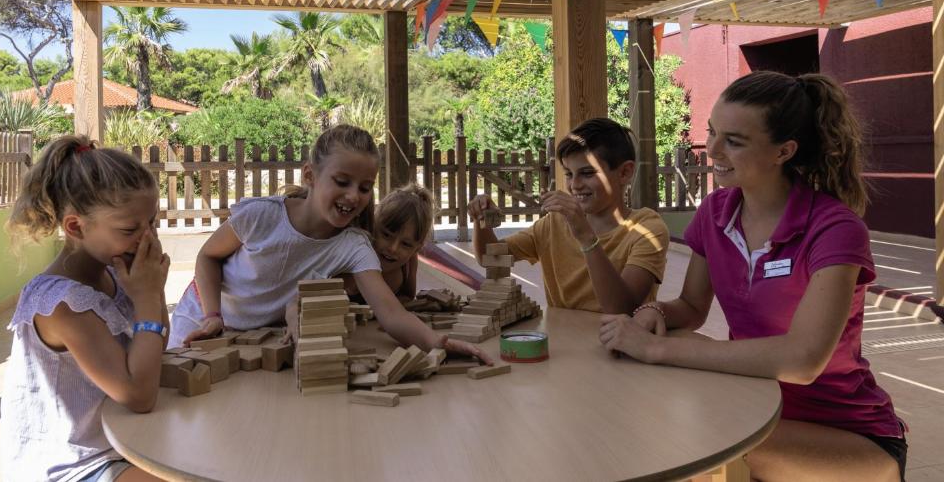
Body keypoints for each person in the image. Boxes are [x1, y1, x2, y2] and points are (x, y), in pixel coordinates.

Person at [599, 71, 906, 482]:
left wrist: (655, 350)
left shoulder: (835, 229)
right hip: (755, 410)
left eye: (734, 141)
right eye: (711, 133)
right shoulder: (715, 212)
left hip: (848, 435)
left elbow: (803, 361)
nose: (712, 150)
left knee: (691, 438)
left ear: (784, 151)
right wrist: (653, 311)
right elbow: (691, 307)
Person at [169, 125, 490, 363]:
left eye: (365, 187)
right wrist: (213, 315)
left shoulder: (355, 247)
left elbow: (391, 313)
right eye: (342, 182)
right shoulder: (262, 215)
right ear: (310, 175)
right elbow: (208, 257)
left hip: (259, 337)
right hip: (202, 319)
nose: (354, 196)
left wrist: (438, 342)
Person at [1, 136, 170, 482]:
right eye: (130, 229)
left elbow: (155, 346)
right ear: (76, 227)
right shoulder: (61, 304)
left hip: (116, 443)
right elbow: (138, 394)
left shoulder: (112, 273)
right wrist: (149, 297)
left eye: (152, 222)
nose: (148, 237)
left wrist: (150, 293)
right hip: (74, 464)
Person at [468, 117, 668, 313]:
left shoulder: (648, 229)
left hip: (621, 342)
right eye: (569, 174)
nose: (575, 185)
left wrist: (585, 235)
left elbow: (621, 308)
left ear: (625, 172)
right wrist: (481, 219)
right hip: (562, 340)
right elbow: (490, 257)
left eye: (588, 173)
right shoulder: (554, 224)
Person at [344, 183, 435, 303]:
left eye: (406, 244)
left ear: (417, 248)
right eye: (386, 235)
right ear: (373, 227)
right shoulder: (352, 253)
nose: (393, 248)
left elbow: (408, 296)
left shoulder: (408, 263)